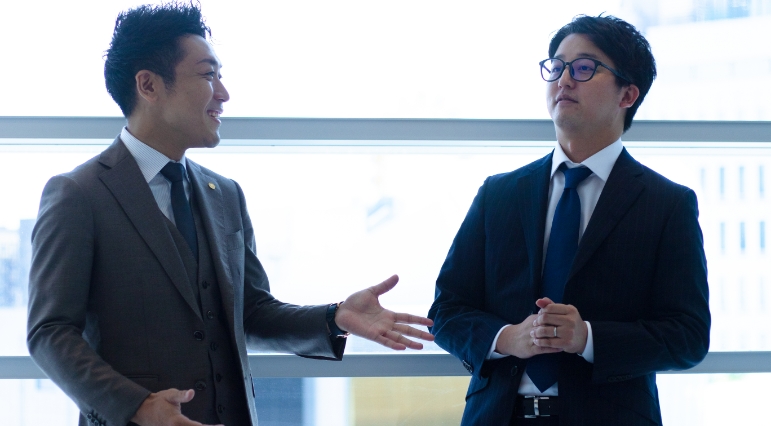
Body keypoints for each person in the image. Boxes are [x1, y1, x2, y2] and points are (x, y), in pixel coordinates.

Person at [26, 4, 433, 426]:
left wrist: (334, 317)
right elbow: (49, 333)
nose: (223, 93)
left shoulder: (225, 195)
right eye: (208, 75)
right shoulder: (78, 194)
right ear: (148, 85)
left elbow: (251, 313)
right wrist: (138, 406)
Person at [428, 14, 710, 426]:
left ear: (627, 94)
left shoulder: (667, 204)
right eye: (556, 67)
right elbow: (447, 310)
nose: (563, 80)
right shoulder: (499, 194)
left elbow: (688, 336)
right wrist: (506, 338)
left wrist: (588, 338)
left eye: (583, 68)